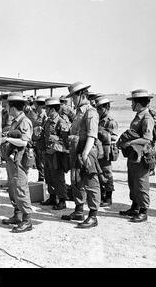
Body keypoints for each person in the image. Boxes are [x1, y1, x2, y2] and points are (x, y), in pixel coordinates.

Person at [61, 82, 101, 229]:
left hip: (86, 151)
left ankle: (93, 216)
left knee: (91, 183)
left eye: (74, 97)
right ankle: (79, 211)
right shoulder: (79, 112)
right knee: (76, 181)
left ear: (82, 96)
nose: (72, 100)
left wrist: (85, 154)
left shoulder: (91, 112)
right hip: (77, 150)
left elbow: (92, 135)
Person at [119, 89, 156, 223]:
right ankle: (135, 207)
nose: (131, 105)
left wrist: (129, 142)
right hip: (135, 155)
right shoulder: (139, 115)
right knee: (133, 181)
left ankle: (143, 211)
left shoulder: (146, 118)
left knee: (141, 183)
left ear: (138, 103)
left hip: (143, 155)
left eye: (133, 102)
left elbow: (147, 139)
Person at [0, 92, 34, 233]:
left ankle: (27, 220)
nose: (7, 109)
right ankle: (17, 215)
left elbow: (24, 142)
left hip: (19, 159)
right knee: (13, 187)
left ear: (14, 108)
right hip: (12, 159)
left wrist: (7, 140)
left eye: (8, 106)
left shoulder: (24, 121)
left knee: (20, 187)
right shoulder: (15, 121)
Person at [40, 97, 70, 210]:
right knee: (48, 175)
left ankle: (62, 200)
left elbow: (65, 141)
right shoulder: (47, 121)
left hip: (57, 154)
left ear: (52, 109)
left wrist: (55, 147)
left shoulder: (62, 122)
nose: (45, 111)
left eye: (46, 108)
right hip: (47, 154)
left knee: (58, 177)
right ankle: (52, 197)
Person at [95, 96, 118, 207]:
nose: (98, 110)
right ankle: (102, 194)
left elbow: (114, 138)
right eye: (97, 108)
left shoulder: (110, 122)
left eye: (100, 108)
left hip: (106, 150)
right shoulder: (98, 119)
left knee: (107, 173)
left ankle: (108, 197)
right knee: (99, 172)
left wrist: (102, 133)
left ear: (107, 107)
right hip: (98, 150)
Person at [28, 96, 48, 181]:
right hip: (36, 141)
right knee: (38, 161)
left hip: (43, 142)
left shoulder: (45, 116)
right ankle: (41, 177)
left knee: (43, 161)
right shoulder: (32, 114)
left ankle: (44, 178)